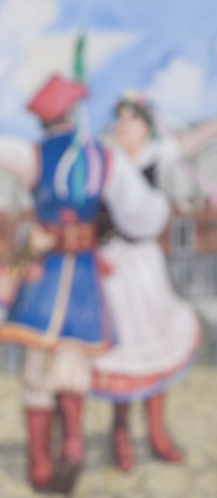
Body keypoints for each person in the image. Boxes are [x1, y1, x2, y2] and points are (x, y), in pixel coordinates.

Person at [0, 75, 170, 495]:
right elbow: (143, 215)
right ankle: (70, 447)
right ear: (72, 115)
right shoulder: (105, 159)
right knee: (71, 365)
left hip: (46, 277)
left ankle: (44, 466)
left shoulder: (34, 156)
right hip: (78, 274)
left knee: (39, 372)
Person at [90, 93, 217, 472]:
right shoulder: (105, 160)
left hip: (145, 266)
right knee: (124, 351)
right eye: (120, 120)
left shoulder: (157, 155)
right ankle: (121, 434)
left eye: (131, 120)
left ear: (147, 125)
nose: (123, 126)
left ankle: (157, 432)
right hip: (112, 265)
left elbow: (194, 139)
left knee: (156, 345)